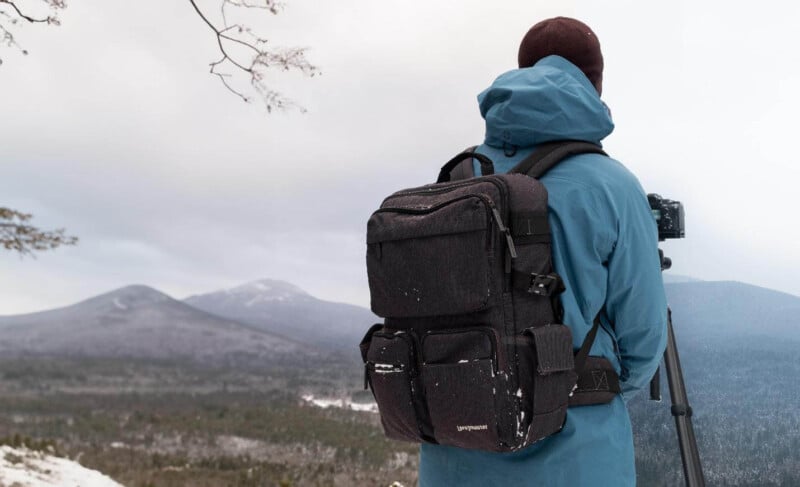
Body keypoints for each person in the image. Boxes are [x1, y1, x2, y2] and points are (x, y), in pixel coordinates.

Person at [418, 17, 668, 486]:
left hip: (455, 450)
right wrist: (590, 384)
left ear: (520, 72)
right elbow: (643, 336)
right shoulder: (612, 184)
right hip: (577, 452)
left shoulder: (459, 176)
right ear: (594, 84)